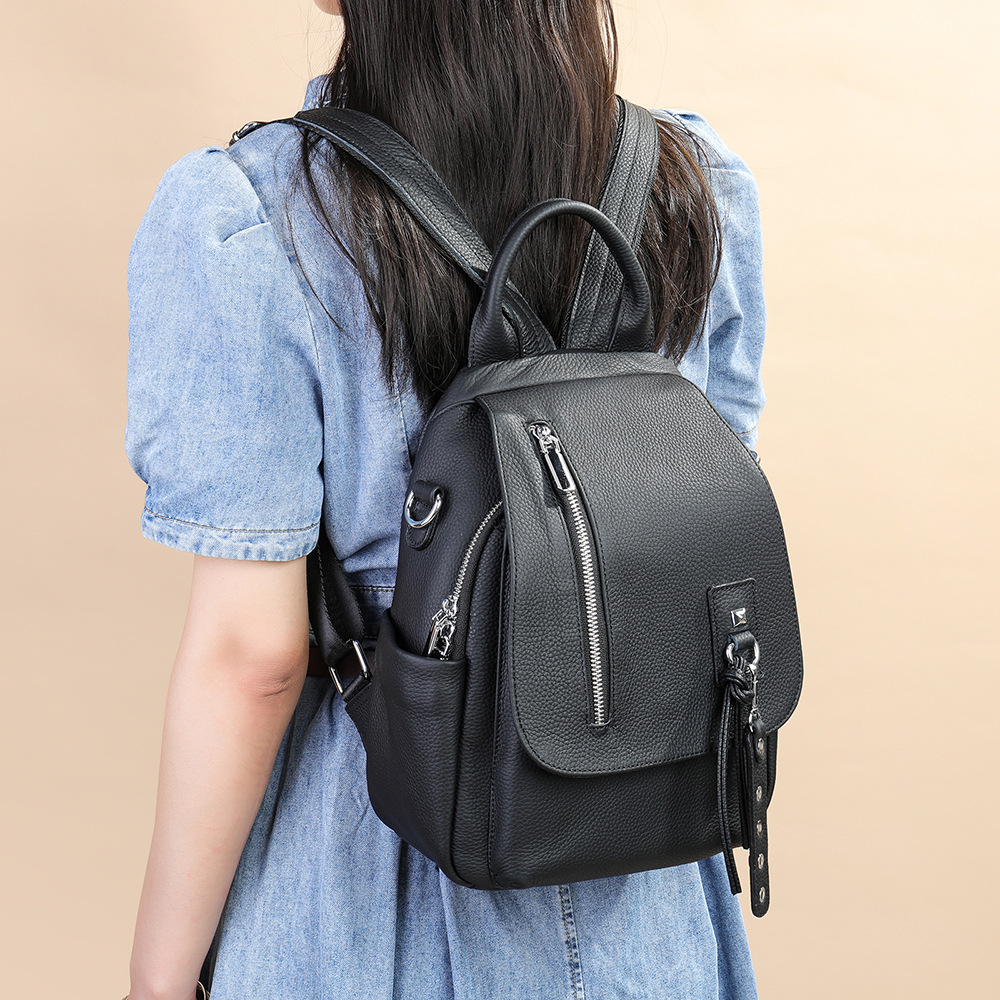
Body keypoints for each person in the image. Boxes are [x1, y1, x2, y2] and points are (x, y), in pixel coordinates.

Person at [124, 1, 767, 997]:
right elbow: (696, 530)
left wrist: (156, 978)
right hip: (643, 884)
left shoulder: (255, 219)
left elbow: (252, 658)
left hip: (370, 884)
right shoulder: (694, 184)